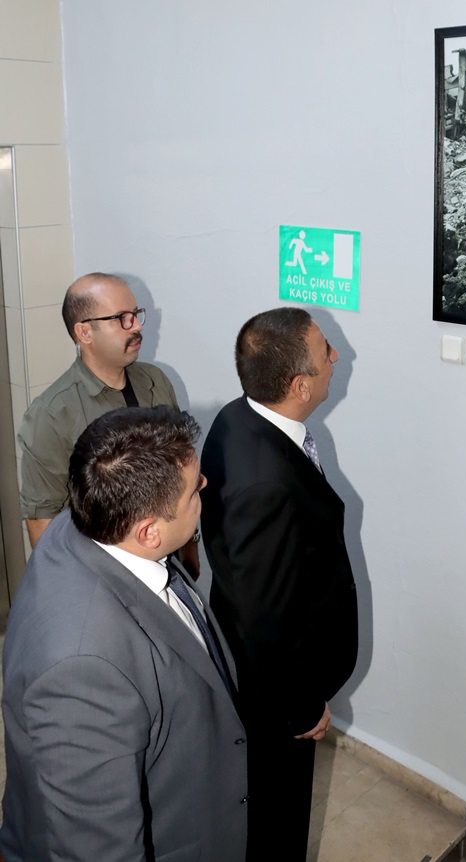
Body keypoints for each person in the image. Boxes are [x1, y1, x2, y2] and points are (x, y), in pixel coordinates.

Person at [1, 406, 248, 862]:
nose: (205, 485)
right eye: (194, 489)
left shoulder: (89, 522)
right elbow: (97, 850)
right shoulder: (82, 670)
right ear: (149, 532)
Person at [200, 307, 358, 862]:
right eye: (325, 351)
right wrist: (300, 708)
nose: (336, 356)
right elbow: (262, 614)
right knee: (277, 820)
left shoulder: (236, 417)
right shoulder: (266, 485)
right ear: (299, 385)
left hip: (253, 668)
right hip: (276, 693)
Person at [18, 272, 198, 574]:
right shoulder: (51, 414)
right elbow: (42, 518)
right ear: (85, 332)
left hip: (167, 558)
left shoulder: (155, 381)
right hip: (104, 574)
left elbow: (181, 475)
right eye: (121, 318)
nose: (137, 325)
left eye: (136, 314)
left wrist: (190, 544)